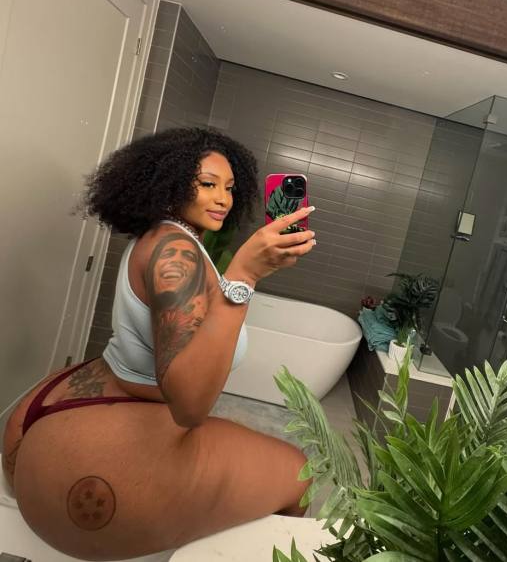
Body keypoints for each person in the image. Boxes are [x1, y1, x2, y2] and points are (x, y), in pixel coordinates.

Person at [1, 126, 317, 561]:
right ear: (169, 183)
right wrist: (245, 276)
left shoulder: (161, 235)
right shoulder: (175, 252)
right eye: (207, 184)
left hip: (50, 413)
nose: (223, 198)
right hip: (90, 466)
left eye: (229, 187)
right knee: (302, 476)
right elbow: (190, 405)